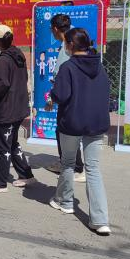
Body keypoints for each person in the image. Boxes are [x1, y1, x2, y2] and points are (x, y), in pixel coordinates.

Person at [49, 28, 111, 235]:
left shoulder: (68, 67)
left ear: (70, 45)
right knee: (93, 169)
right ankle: (100, 220)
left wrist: (52, 94)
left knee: (68, 163)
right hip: (96, 123)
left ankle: (65, 201)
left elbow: (60, 95)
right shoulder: (99, 66)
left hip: (72, 122)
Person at [0, 25, 36, 193]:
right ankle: (26, 175)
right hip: (19, 106)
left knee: (2, 146)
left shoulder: (3, 59)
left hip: (6, 109)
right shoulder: (18, 54)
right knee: (12, 143)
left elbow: (2, 84)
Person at [46, 14, 85, 181]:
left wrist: (53, 97)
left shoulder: (67, 47)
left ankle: (77, 168)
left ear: (55, 29)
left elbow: (63, 76)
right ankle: (66, 162)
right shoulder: (69, 42)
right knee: (64, 131)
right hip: (72, 94)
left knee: (67, 131)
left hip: (71, 97)